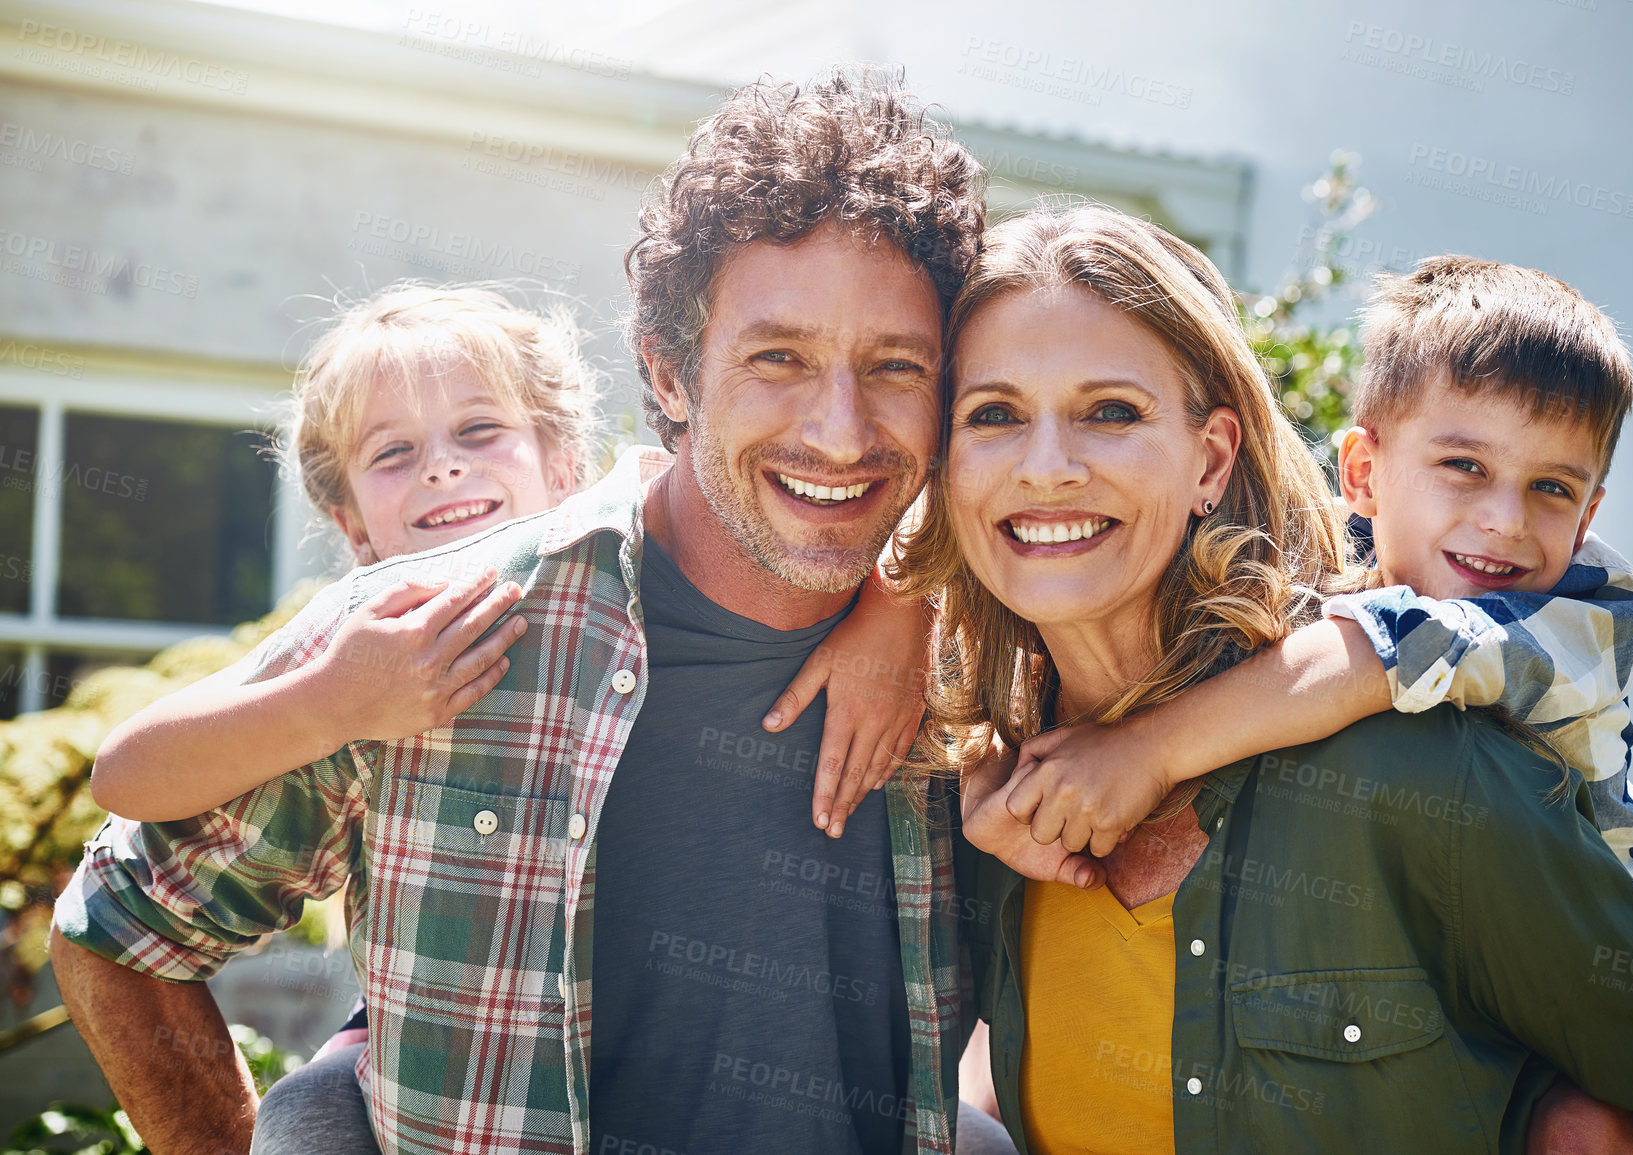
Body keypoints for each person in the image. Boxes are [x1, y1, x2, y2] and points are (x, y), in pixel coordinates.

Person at [50, 70, 982, 1155]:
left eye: (896, 367)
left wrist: (916, 601)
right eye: (778, 358)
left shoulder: (986, 664)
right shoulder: (422, 640)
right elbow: (118, 930)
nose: (839, 430)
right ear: (668, 373)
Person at [897, 204, 1633, 1151]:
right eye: (993, 414)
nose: (1047, 467)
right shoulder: (969, 793)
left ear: (1210, 458)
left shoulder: (1422, 768)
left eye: (1112, 412)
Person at [988, 257, 1633, 987]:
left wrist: (1141, 754)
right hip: (1487, 993)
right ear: (1362, 475)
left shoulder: (1582, 609)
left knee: (1586, 1118)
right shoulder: (1344, 570)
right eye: (1464, 467)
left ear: (1588, 513)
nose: (1506, 520)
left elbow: (1377, 656)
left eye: (1551, 488)